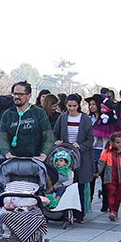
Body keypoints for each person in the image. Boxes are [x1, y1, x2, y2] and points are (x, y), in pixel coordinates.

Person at [0, 80, 53, 224]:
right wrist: (6, 153)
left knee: (34, 193)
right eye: (15, 93)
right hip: (12, 161)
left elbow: (48, 135)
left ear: (29, 96)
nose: (17, 97)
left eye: (20, 94)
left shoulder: (38, 113)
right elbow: (2, 136)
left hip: (33, 161)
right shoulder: (8, 114)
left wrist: (43, 154)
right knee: (4, 188)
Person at [53, 92, 95, 223]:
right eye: (69, 106)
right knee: (65, 183)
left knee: (80, 184)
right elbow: (55, 133)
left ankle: (80, 214)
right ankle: (63, 211)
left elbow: (90, 139)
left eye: (74, 106)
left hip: (81, 156)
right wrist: (57, 142)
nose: (71, 108)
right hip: (65, 155)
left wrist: (80, 146)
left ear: (78, 106)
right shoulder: (62, 118)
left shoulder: (85, 119)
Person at [98, 133, 121, 222]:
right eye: (117, 142)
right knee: (111, 193)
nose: (120, 145)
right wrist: (97, 172)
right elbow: (101, 163)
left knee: (118, 195)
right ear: (112, 142)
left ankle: (116, 211)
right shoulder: (106, 152)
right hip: (110, 177)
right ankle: (112, 211)